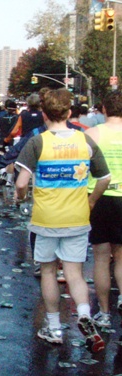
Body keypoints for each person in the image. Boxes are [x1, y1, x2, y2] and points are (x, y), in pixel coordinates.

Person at [15, 88, 110, 353]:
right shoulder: (85, 141)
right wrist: (91, 201)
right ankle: (82, 312)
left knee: (48, 271)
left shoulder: (38, 142)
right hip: (78, 217)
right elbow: (105, 178)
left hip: (46, 219)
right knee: (74, 273)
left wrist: (21, 195)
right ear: (69, 113)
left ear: (44, 113)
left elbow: (22, 182)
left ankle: (54, 327)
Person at [85, 90, 122, 329]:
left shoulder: (91, 134)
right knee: (120, 256)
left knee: (100, 257)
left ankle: (105, 312)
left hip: (97, 197)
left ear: (104, 110)